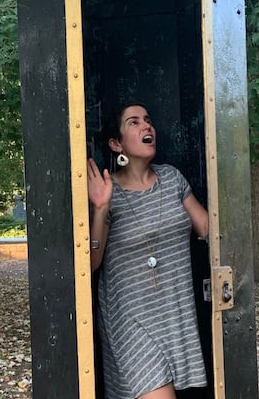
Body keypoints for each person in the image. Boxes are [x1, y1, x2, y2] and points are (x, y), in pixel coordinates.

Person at [87, 102, 209, 399]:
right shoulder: (107, 191)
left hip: (173, 313)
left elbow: (208, 230)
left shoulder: (172, 178)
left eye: (148, 120)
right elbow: (91, 262)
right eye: (134, 122)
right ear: (116, 144)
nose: (146, 127)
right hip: (130, 320)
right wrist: (101, 208)